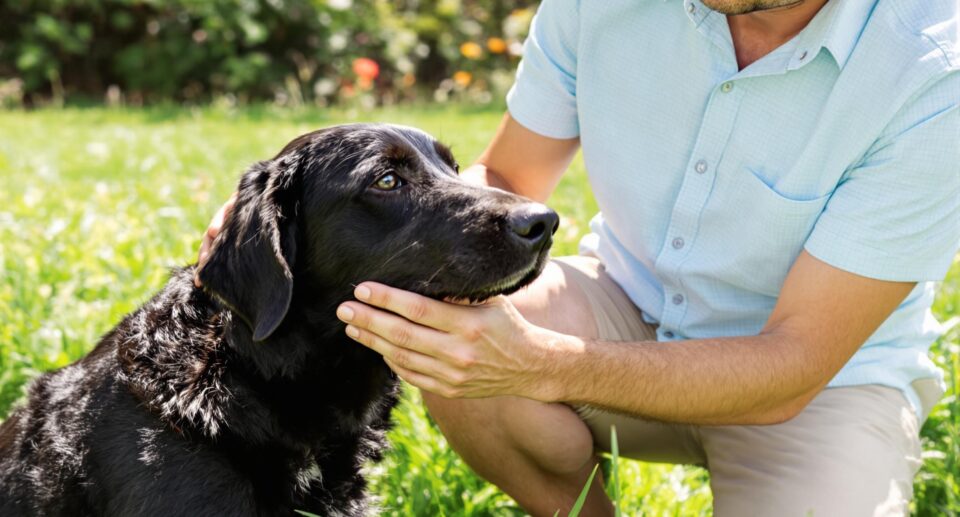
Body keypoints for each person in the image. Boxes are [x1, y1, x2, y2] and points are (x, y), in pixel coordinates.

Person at [198, 1, 960, 514]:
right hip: (623, 307)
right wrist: (278, 219)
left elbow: (792, 366)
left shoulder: (934, 73)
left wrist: (541, 363)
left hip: (820, 385)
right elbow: (503, 182)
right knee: (447, 330)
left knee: (492, 349)